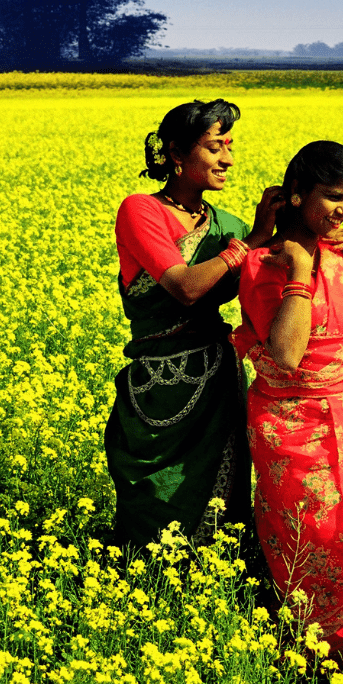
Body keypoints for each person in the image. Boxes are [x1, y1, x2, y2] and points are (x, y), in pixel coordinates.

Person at [232, 141, 343, 665]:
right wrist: (301, 272)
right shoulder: (265, 264)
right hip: (293, 424)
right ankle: (308, 654)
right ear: (298, 194)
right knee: (316, 536)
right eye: (333, 197)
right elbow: (285, 353)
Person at [104, 98, 283, 551]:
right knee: (155, 496)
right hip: (159, 383)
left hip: (217, 377)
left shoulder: (226, 225)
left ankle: (216, 581)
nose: (228, 159)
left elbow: (275, 265)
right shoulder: (141, 210)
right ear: (177, 155)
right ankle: (148, 586)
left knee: (223, 497)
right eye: (214, 147)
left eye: (230, 146)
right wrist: (253, 241)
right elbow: (183, 287)